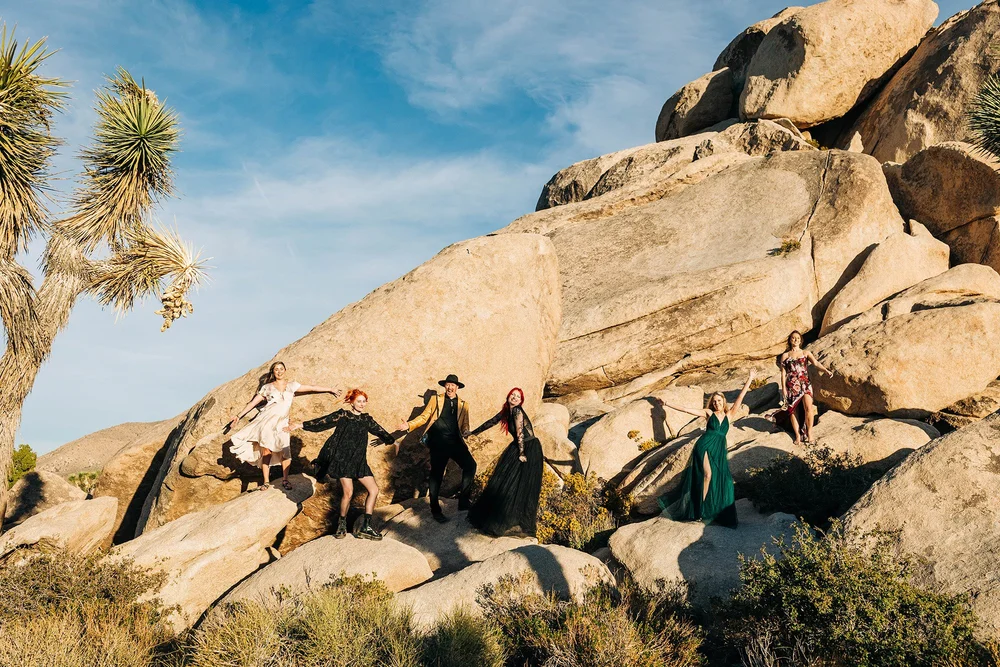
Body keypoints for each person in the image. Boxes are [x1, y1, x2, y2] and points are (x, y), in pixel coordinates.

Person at [286, 389, 398, 540]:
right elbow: (322, 422)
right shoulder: (343, 415)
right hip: (343, 461)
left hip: (359, 462)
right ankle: (342, 524)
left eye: (364, 401)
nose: (362, 404)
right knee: (348, 493)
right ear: (351, 401)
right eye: (359, 401)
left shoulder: (366, 419)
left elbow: (380, 431)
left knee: (374, 490)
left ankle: (366, 526)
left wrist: (393, 441)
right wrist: (300, 425)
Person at [654, 370, 757, 528]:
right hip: (705, 445)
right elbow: (687, 409)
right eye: (714, 401)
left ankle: (717, 511)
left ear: (723, 402)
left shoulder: (729, 415)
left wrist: (750, 379)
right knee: (708, 475)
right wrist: (666, 404)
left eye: (719, 401)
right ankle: (702, 511)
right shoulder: (709, 413)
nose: (716, 403)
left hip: (719, 449)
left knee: (726, 481)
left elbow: (740, 398)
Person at [228, 361, 341, 490]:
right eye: (276, 369)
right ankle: (266, 481)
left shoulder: (292, 385)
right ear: (273, 372)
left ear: (285, 370)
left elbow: (312, 387)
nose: (279, 371)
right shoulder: (267, 387)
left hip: (282, 423)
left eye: (281, 369)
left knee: (285, 451)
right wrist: (238, 415)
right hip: (267, 422)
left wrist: (330, 389)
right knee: (266, 451)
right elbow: (253, 403)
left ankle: (285, 479)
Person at [463, 388, 543, 537]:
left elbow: (520, 432)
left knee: (520, 484)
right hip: (519, 446)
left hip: (528, 448)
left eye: (518, 397)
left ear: (521, 401)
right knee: (506, 482)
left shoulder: (517, 411)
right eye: (513, 394)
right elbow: (490, 423)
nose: (514, 397)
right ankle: (505, 517)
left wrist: (521, 453)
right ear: (508, 396)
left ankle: (517, 522)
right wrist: (473, 432)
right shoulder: (506, 411)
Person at [398, 374, 476, 523]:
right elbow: (424, 416)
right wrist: (409, 425)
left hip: (455, 441)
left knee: (471, 466)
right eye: (448, 384)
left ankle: (463, 502)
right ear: (445, 386)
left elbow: (465, 424)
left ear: (457, 387)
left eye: (453, 385)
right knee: (437, 474)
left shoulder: (464, 404)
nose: (450, 387)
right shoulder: (436, 399)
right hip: (438, 441)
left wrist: (466, 431)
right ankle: (435, 509)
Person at [779, 331, 833, 446]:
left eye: (798, 338)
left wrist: (826, 370)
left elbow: (816, 363)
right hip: (792, 385)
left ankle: (809, 433)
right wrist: (783, 388)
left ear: (800, 340)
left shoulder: (805, 353)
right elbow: (783, 373)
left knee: (809, 407)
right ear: (790, 340)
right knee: (793, 410)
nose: (795, 340)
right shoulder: (785, 356)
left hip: (805, 384)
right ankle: (798, 435)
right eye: (793, 338)